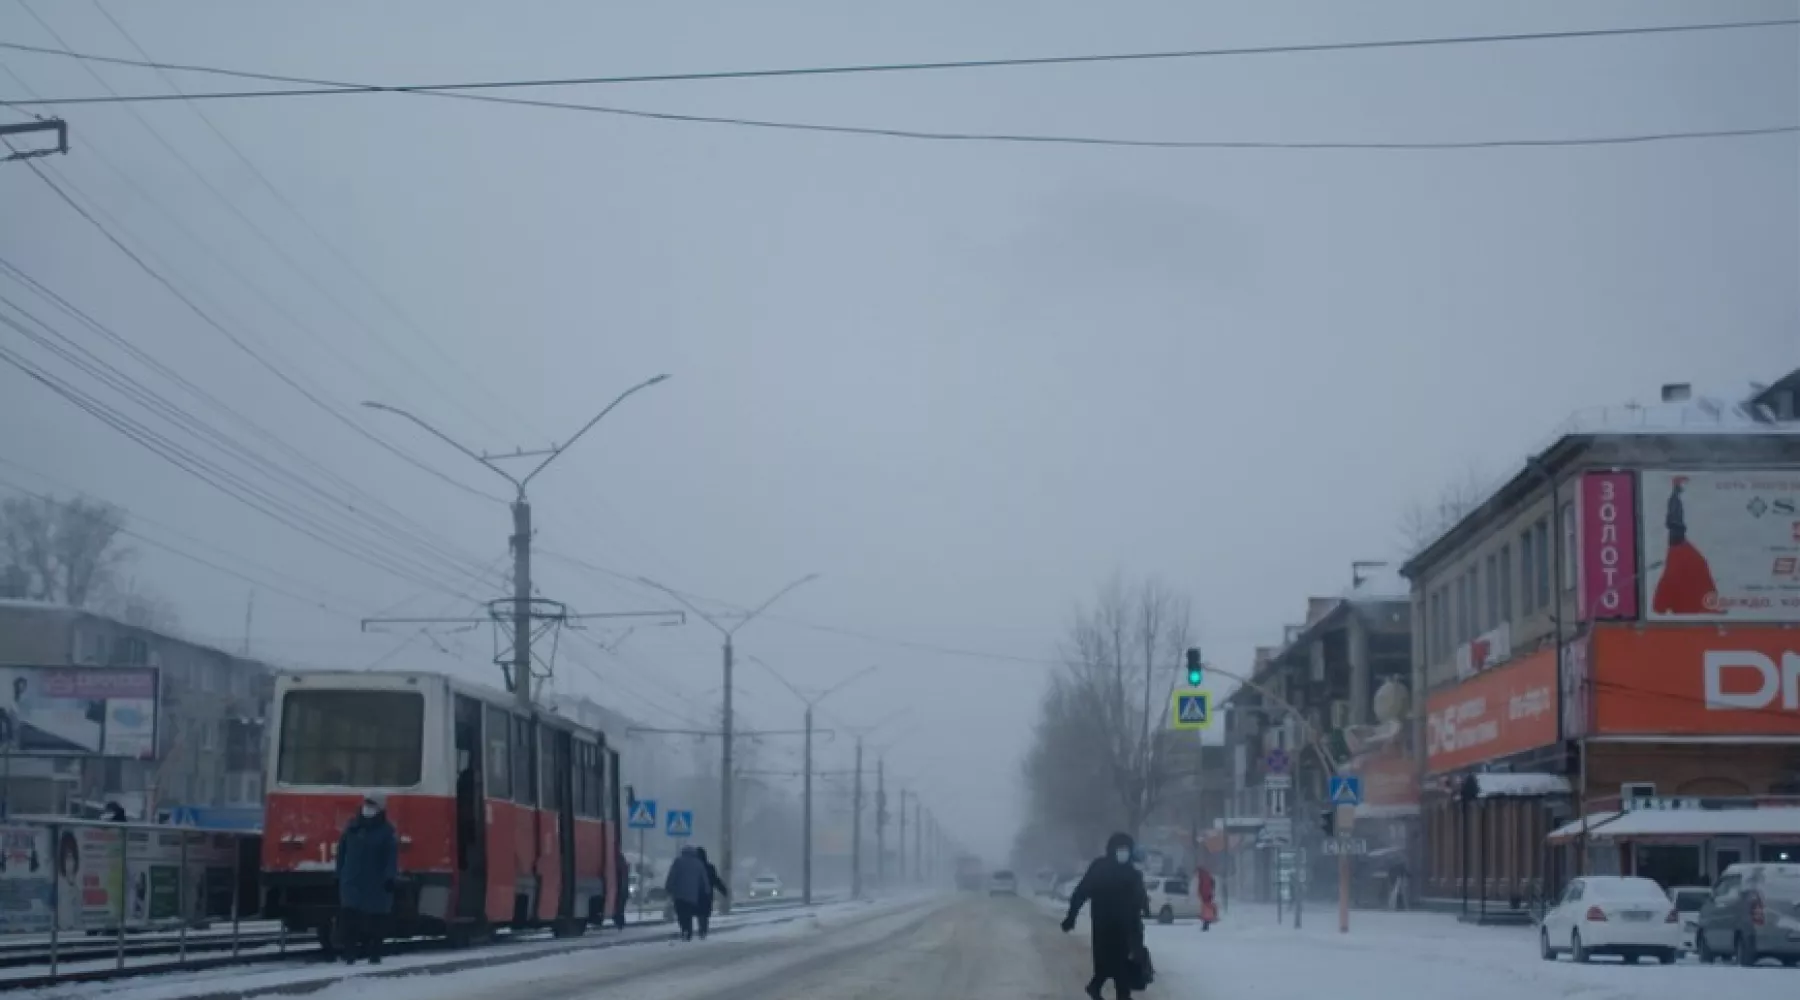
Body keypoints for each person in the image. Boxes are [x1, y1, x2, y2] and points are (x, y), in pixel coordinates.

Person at [1062, 832, 1149, 1000]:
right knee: (1110, 964)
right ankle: (1102, 989)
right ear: (1112, 850)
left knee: (1122, 965)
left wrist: (1144, 910)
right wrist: (1071, 916)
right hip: (1105, 926)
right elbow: (1081, 892)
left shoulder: (1133, 873)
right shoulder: (1100, 869)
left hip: (1128, 928)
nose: (1123, 853)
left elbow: (1140, 898)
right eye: (1120, 849)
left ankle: (1100, 988)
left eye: (1126, 849)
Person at [335, 791, 398, 965]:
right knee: (349, 917)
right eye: (366, 803)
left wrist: (389, 877)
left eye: (372, 804)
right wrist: (339, 874)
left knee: (376, 920)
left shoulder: (387, 832)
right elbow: (342, 852)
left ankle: (375, 953)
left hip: (376, 882)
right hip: (352, 880)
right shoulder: (352, 828)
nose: (367, 807)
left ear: (380, 808)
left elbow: (390, 857)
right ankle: (349, 953)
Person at [664, 845, 707, 940]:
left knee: (680, 913)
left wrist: (668, 888)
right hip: (692, 895)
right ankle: (688, 931)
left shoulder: (678, 861)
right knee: (688, 913)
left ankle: (684, 929)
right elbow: (703, 879)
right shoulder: (698, 863)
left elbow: (672, 876)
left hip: (679, 894)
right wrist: (705, 890)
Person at [694, 847, 729, 939]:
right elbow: (715, 880)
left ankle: (702, 930)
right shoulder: (709, 867)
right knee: (705, 913)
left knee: (700, 913)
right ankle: (703, 930)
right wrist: (723, 890)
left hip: (696, 894)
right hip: (707, 894)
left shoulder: (694, 868)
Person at [1195, 864, 1217, 931]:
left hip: (1206, 895)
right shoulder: (1207, 876)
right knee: (1207, 909)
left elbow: (1202, 887)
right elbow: (1212, 884)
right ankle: (1206, 922)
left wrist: (1201, 893)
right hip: (1208, 894)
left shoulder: (1203, 877)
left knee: (1206, 910)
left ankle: (1206, 923)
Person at [612, 848, 630, 929]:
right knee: (620, 908)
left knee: (619, 908)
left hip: (621, 889)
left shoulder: (618, 861)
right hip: (622, 889)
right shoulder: (622, 861)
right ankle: (620, 923)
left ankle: (620, 923)